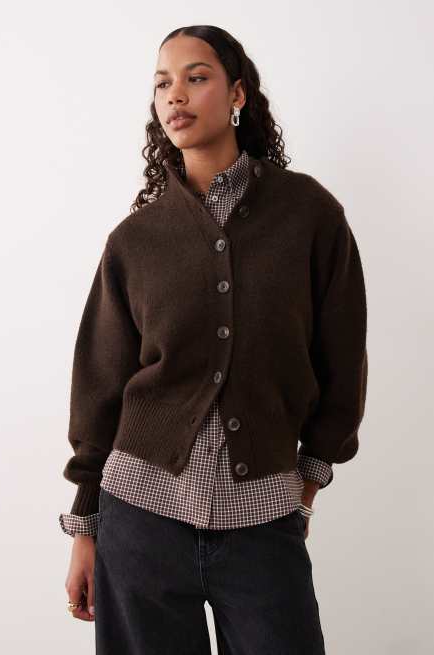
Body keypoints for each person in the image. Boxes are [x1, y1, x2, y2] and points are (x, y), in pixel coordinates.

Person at [60, 25, 368, 654]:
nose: (175, 95)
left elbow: (342, 356)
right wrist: (86, 529)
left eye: (196, 77)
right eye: (162, 84)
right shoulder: (135, 240)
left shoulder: (310, 215)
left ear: (238, 94)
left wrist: (309, 478)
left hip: (263, 518)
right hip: (139, 518)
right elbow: (100, 386)